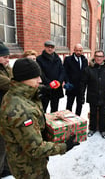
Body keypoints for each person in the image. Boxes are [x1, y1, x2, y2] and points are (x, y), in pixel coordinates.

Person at [0, 58, 79, 179]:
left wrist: (40, 91)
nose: (40, 80)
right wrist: (64, 146)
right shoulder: (21, 111)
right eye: (36, 77)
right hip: (29, 168)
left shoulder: (15, 93)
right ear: (24, 79)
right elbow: (35, 149)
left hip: (22, 161)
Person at [80, 50, 105, 139]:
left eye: (100, 56)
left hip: (104, 95)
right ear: (94, 57)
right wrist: (81, 95)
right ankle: (92, 129)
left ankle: (102, 130)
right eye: (97, 56)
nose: (99, 58)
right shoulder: (88, 69)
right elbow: (83, 83)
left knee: (102, 114)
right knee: (93, 113)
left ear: (103, 58)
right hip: (92, 95)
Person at [36, 40, 65, 113]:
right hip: (46, 87)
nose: (50, 49)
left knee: (55, 109)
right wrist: (50, 83)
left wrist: (59, 81)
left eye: (52, 47)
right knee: (43, 109)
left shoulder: (57, 58)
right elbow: (41, 73)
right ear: (45, 47)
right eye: (48, 47)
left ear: (54, 48)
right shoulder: (39, 59)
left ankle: (53, 124)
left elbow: (62, 71)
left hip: (56, 88)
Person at [63, 43, 88, 115]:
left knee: (79, 105)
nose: (78, 52)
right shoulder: (68, 59)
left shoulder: (84, 60)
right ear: (74, 50)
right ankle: (68, 120)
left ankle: (78, 120)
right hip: (71, 86)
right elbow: (65, 72)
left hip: (81, 87)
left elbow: (85, 73)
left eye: (80, 50)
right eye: (77, 50)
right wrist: (67, 82)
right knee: (69, 105)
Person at [0, 41, 12, 178]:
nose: (8, 59)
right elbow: (11, 83)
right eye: (5, 57)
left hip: (6, 110)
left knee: (7, 141)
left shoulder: (6, 68)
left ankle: (6, 167)